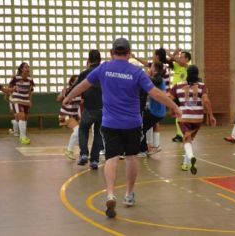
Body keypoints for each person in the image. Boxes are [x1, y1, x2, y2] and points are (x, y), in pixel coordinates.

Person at [63, 38, 181, 218]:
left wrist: (68, 97)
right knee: (132, 158)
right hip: (132, 123)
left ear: (111, 53)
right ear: (128, 53)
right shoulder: (137, 72)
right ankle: (128, 194)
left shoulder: (103, 68)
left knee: (111, 158)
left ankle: (110, 193)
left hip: (110, 123)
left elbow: (83, 85)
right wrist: (174, 106)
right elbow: (155, 93)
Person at [169, 65, 216, 174]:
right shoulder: (202, 86)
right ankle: (186, 164)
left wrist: (173, 109)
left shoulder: (178, 86)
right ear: (197, 74)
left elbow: (169, 99)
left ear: (187, 73)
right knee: (189, 139)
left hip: (183, 117)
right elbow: (206, 101)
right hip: (198, 118)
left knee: (187, 140)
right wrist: (211, 115)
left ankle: (191, 158)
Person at [69, 50, 103, 169]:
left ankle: (84, 154)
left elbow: (76, 87)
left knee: (83, 129)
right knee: (98, 133)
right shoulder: (104, 72)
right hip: (103, 109)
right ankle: (94, 160)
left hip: (89, 108)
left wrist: (67, 96)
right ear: (100, 59)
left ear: (88, 60)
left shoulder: (85, 73)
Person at [138, 62, 166, 157]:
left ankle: (142, 150)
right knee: (143, 127)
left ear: (155, 69)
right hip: (156, 111)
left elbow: (155, 81)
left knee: (141, 128)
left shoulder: (158, 78)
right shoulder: (157, 79)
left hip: (156, 111)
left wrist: (144, 76)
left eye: (151, 67)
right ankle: (146, 148)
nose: (149, 69)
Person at [168, 49, 192, 142]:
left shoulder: (188, 67)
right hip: (175, 94)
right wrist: (174, 54)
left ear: (187, 59)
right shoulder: (177, 66)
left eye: (182, 57)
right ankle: (179, 134)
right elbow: (169, 61)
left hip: (184, 94)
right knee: (177, 113)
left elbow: (179, 61)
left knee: (182, 114)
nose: (179, 58)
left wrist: (171, 54)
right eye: (180, 56)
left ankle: (184, 133)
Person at [8, 62, 35, 145]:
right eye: (26, 67)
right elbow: (9, 88)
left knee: (25, 118)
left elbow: (30, 91)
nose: (28, 69)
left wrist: (30, 101)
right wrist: (9, 98)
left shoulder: (30, 79)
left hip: (25, 101)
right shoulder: (15, 78)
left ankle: (15, 124)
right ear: (21, 69)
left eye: (28, 67)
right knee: (22, 116)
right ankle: (23, 137)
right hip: (16, 100)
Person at [57, 75, 81, 160]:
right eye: (76, 81)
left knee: (80, 133)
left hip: (74, 116)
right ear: (71, 82)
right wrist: (62, 95)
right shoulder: (67, 91)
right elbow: (58, 99)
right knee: (78, 130)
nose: (78, 82)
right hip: (65, 115)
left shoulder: (81, 92)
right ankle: (69, 150)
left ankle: (83, 152)